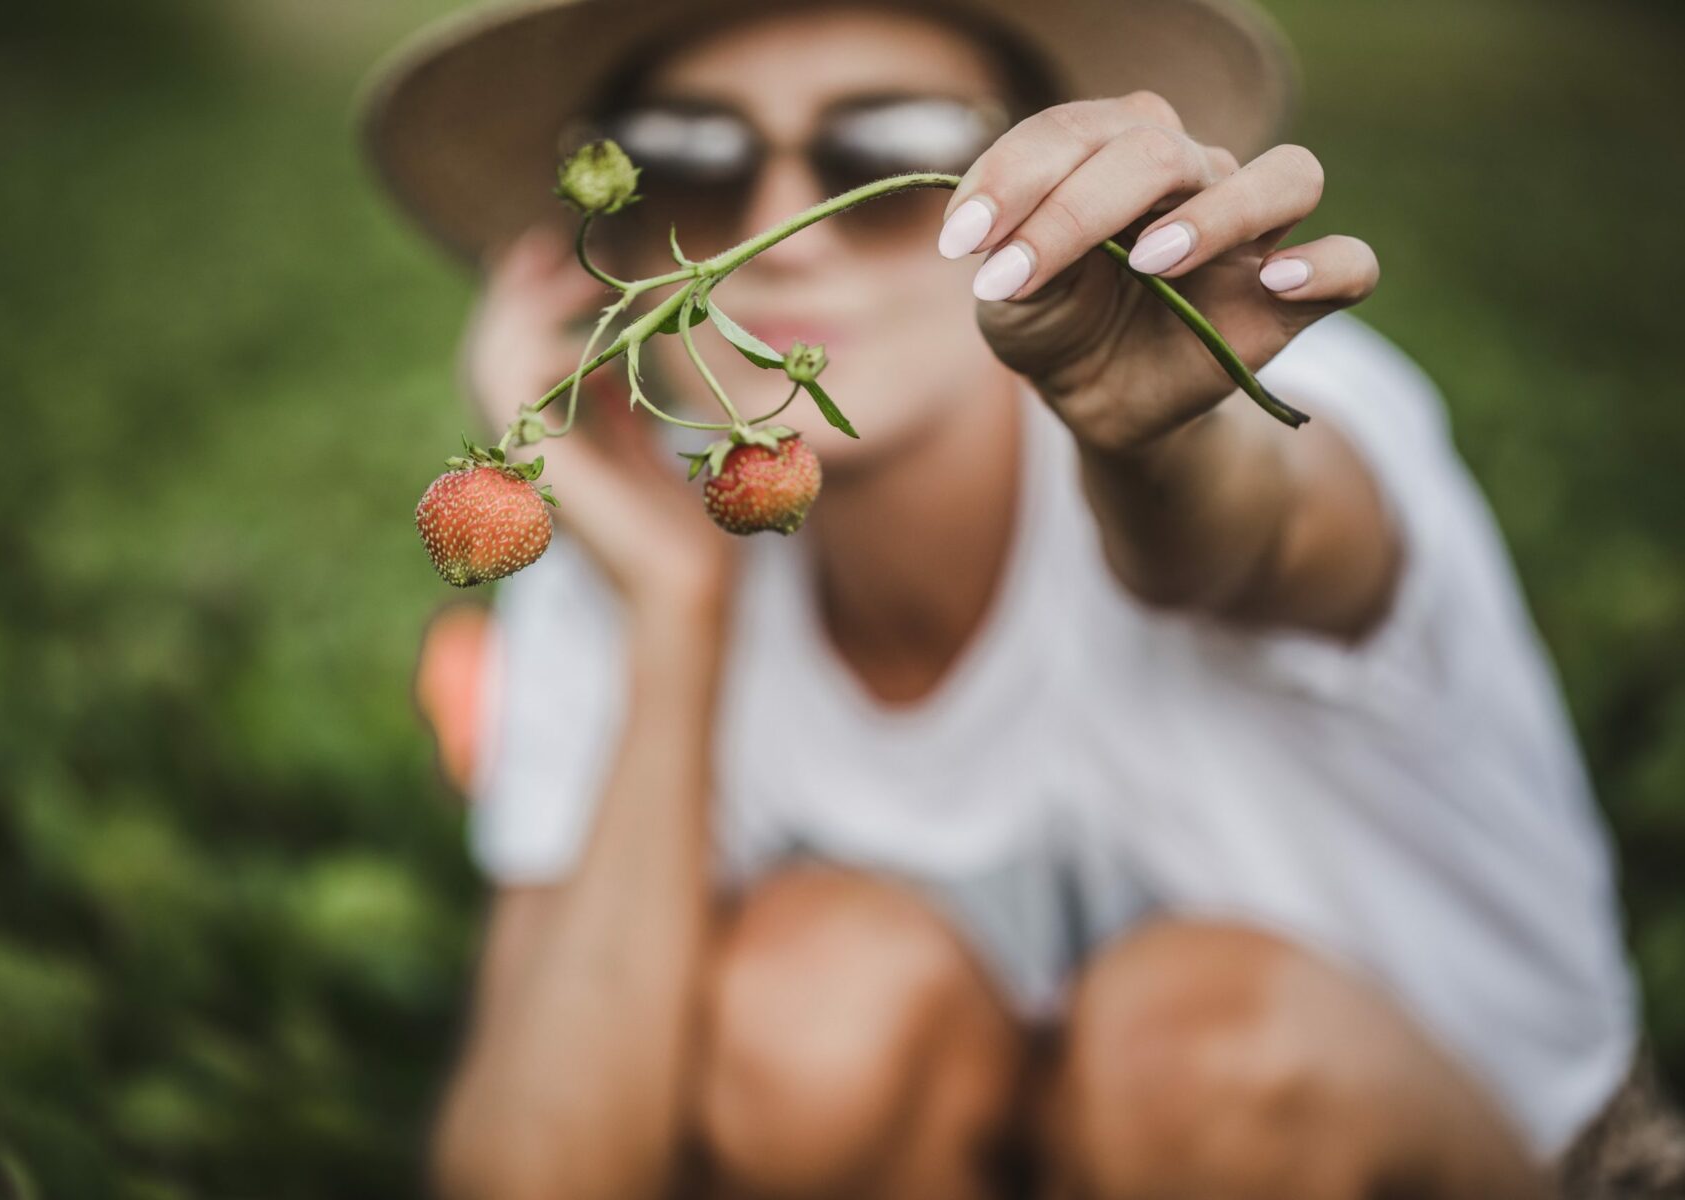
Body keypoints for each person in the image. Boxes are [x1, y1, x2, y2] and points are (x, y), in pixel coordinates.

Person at [363, 0, 1679, 1196]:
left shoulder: (1287, 413)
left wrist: (1147, 438)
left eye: (883, 153)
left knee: (1193, 1053)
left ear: (1039, 191)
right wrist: (674, 604)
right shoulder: (642, 495)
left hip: (1509, 1160)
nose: (781, 218)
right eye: (691, 158)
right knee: (803, 1014)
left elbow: (1239, 527)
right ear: (628, 227)